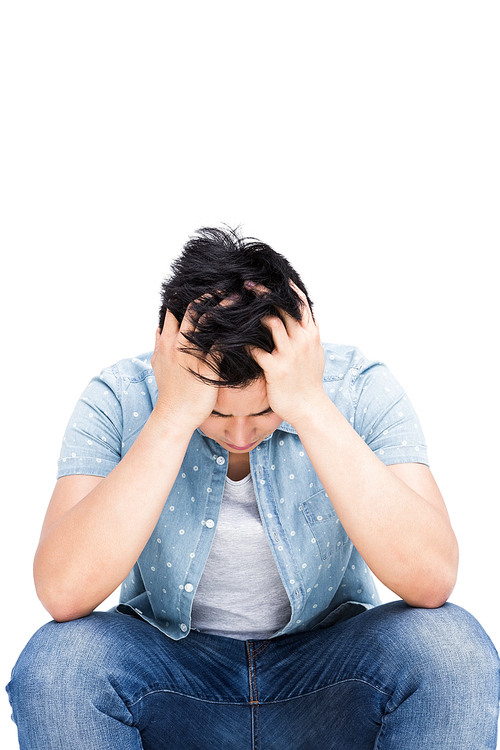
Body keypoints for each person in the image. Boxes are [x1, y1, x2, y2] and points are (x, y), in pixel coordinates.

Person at [6, 226, 500, 749]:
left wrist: (308, 405)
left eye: (264, 411)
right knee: (60, 663)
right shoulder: (121, 396)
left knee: (451, 649)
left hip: (327, 683)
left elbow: (431, 580)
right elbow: (62, 592)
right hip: (173, 684)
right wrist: (173, 416)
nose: (240, 435)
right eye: (217, 414)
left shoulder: (357, 387)